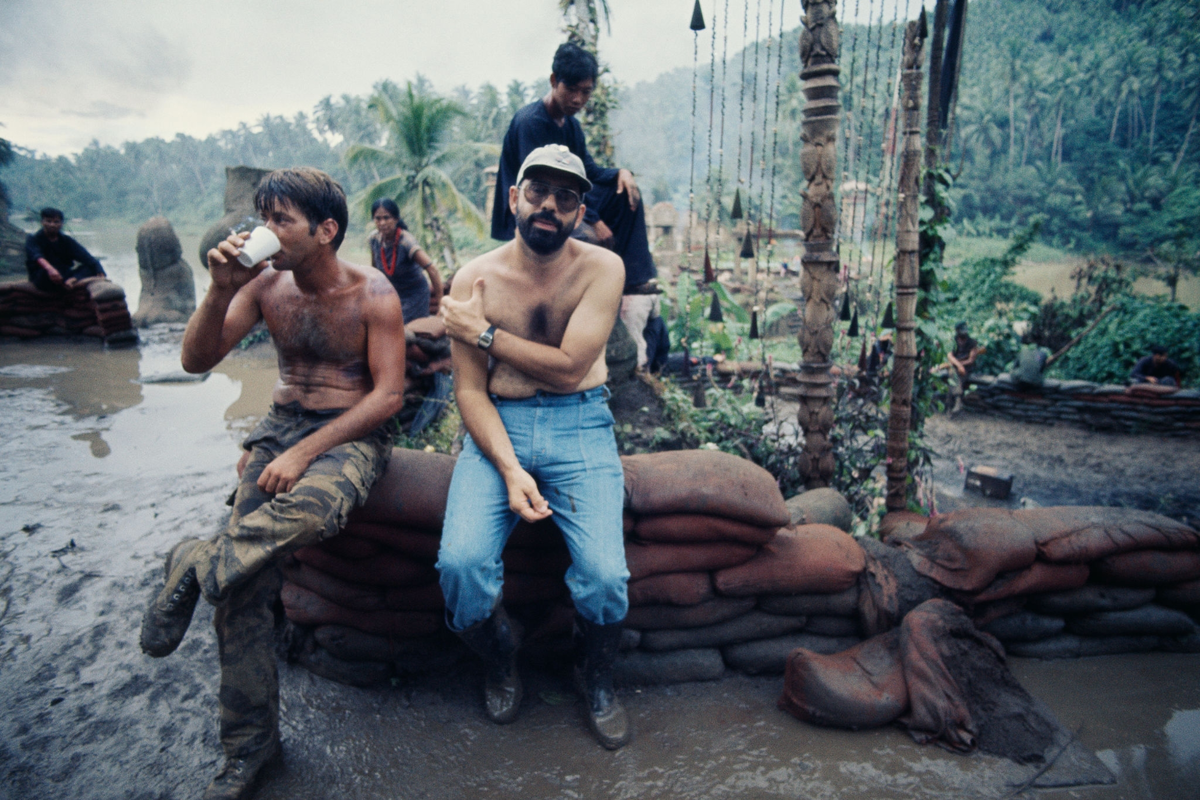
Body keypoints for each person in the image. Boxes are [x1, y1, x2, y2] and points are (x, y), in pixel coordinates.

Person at [138, 168, 406, 800]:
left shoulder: (374, 294)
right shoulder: (265, 286)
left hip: (348, 432)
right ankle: (250, 750)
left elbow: (390, 395)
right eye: (265, 218)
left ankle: (195, 557)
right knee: (241, 587)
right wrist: (218, 289)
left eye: (281, 220)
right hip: (281, 422)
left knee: (311, 513)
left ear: (327, 230)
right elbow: (196, 362)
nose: (266, 232)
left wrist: (308, 451)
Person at [438, 145, 631, 749]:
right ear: (513, 196)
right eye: (538, 190)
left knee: (604, 577)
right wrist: (509, 467)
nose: (550, 204)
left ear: (579, 210)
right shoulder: (473, 279)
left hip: (582, 425)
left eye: (567, 196)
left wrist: (486, 333)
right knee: (461, 567)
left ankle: (593, 673)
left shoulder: (602, 268)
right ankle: (501, 654)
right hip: (500, 424)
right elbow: (470, 391)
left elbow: (573, 368)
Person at [492, 41, 659, 369]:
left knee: (627, 195)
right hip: (531, 206)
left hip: (564, 200)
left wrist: (622, 174)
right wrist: (592, 219)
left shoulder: (571, 126)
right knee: (584, 239)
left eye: (586, 92)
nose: (579, 100)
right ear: (554, 81)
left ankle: (633, 279)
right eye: (572, 90)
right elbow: (541, 184)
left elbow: (590, 172)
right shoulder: (531, 121)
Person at [367, 197, 443, 323]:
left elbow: (432, 269)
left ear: (396, 219)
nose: (382, 223)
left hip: (415, 295)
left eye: (386, 218)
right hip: (392, 293)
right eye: (378, 218)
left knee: (405, 331)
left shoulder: (406, 242)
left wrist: (441, 304)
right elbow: (375, 272)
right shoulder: (374, 240)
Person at [24, 207, 106, 292]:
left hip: (64, 275)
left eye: (56, 222)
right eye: (48, 221)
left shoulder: (66, 240)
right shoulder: (33, 238)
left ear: (61, 224)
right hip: (43, 276)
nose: (52, 225)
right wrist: (50, 269)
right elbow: (37, 256)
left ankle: (73, 280)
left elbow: (87, 258)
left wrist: (99, 269)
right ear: (42, 222)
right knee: (45, 274)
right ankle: (65, 283)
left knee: (92, 267)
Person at [947, 321, 979, 414]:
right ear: (957, 331)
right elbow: (950, 356)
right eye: (962, 331)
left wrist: (961, 365)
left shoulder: (972, 342)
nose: (964, 332)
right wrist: (958, 365)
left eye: (965, 330)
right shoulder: (953, 341)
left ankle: (950, 404)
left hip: (967, 368)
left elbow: (971, 360)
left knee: (953, 377)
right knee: (952, 374)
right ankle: (957, 400)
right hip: (955, 366)